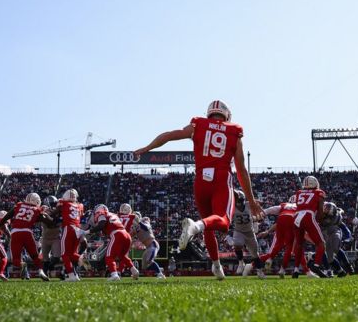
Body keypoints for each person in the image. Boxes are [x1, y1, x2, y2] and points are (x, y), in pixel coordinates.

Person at [134, 100, 264, 280]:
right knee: (223, 221)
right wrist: (251, 199)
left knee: (209, 226)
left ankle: (217, 266)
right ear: (226, 115)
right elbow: (241, 169)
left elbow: (171, 135)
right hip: (220, 178)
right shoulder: (234, 130)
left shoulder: (199, 124)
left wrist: (148, 148)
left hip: (201, 180)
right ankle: (195, 226)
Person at [0, 193, 51, 281]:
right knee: (35, 256)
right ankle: (41, 271)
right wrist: (46, 214)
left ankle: (22, 264)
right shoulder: (37, 209)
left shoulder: (18, 206)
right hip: (27, 233)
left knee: (16, 260)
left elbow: (6, 217)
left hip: (15, 233)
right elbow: (49, 222)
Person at [87, 204, 139, 281]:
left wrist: (88, 231)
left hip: (117, 234)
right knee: (122, 256)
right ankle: (134, 271)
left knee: (109, 256)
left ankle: (114, 274)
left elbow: (102, 225)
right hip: (127, 235)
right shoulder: (114, 215)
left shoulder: (103, 214)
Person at [292, 175, 328, 278]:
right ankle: (316, 265)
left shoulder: (299, 192)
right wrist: (319, 220)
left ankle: (295, 270)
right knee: (321, 243)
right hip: (308, 215)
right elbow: (320, 210)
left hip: (296, 216)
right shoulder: (319, 192)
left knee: (299, 244)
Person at [51, 189, 87, 282]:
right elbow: (81, 214)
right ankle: (75, 275)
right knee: (71, 254)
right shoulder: (80, 205)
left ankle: (71, 275)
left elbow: (54, 213)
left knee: (64, 254)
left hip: (69, 228)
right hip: (78, 229)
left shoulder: (63, 203)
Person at [230, 190, 265, 278]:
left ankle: (260, 271)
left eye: (239, 200)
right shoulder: (231, 207)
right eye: (237, 200)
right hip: (238, 231)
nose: (238, 203)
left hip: (250, 232)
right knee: (237, 245)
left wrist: (255, 202)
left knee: (255, 254)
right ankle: (241, 263)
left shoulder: (248, 204)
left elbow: (261, 203)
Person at [40, 196, 62, 278]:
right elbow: (51, 225)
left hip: (56, 237)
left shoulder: (59, 211)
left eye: (55, 204)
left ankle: (51, 267)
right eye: (53, 204)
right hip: (45, 238)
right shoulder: (45, 212)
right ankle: (45, 275)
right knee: (45, 259)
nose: (54, 205)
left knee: (57, 257)